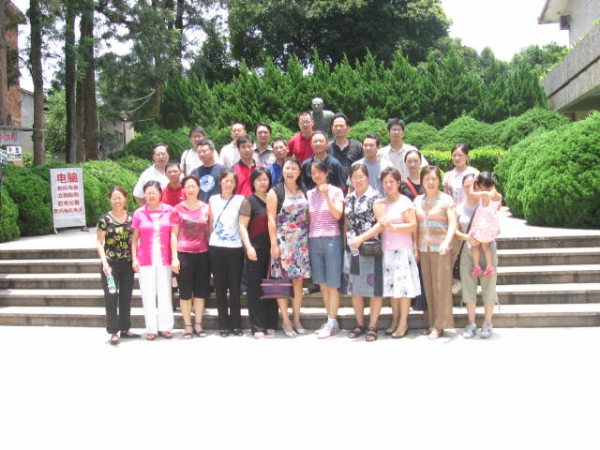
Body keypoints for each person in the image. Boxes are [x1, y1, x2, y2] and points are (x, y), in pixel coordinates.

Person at [267, 157, 310, 337]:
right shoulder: (275, 191)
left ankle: (296, 318)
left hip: (301, 243)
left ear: (299, 172)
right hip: (283, 243)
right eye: (287, 168)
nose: (290, 171)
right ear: (282, 171)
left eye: (294, 168)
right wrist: (273, 244)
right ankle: (285, 320)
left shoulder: (303, 190)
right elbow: (271, 219)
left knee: (298, 281)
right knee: (282, 282)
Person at [375, 168, 420, 339]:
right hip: (386, 250)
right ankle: (394, 319)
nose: (388, 185)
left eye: (391, 182)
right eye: (385, 182)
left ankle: (403, 322)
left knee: (403, 289)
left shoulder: (405, 202)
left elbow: (413, 225)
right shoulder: (381, 203)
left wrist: (393, 227)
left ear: (398, 183)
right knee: (392, 288)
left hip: (402, 249)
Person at [414, 166, 457, 339]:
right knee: (428, 287)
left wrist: (447, 242)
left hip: (441, 249)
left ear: (439, 180)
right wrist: (415, 247)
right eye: (427, 179)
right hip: (423, 248)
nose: (430, 182)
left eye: (433, 179)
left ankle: (440, 325)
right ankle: (431, 322)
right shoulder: (417, 200)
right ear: (422, 181)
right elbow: (415, 226)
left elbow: (453, 223)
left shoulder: (446, 199)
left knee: (441, 287)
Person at [131, 181, 177, 340]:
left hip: (164, 257)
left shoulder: (169, 210)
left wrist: (175, 256)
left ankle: (165, 327)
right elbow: (134, 238)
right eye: (148, 193)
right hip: (145, 258)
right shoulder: (139, 213)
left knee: (165, 292)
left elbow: (174, 234)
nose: (151, 196)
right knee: (147, 293)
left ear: (160, 193)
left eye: (154, 193)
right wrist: (134, 258)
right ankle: (151, 328)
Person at [455, 174, 498, 339]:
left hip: (487, 248)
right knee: (468, 287)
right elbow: (455, 231)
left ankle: (488, 323)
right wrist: (467, 237)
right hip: (469, 250)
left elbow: (496, 195)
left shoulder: (487, 200)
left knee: (489, 286)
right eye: (466, 185)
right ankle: (471, 323)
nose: (469, 188)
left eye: (473, 184)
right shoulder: (459, 208)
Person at [344, 164, 384, 342]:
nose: (358, 180)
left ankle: (373, 326)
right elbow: (346, 222)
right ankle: (359, 324)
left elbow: (381, 223)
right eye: (355, 177)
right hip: (352, 250)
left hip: (371, 248)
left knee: (374, 289)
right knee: (355, 289)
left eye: (361, 177)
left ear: (367, 178)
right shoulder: (349, 198)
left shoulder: (375, 197)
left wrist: (362, 238)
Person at [239, 168, 279, 339]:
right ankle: (258, 327)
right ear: (253, 182)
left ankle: (272, 323)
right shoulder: (249, 201)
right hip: (256, 249)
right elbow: (242, 225)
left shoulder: (274, 198)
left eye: (265, 179)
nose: (263, 182)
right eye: (259, 179)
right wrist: (248, 246)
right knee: (255, 288)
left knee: (272, 286)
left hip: (273, 249)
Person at [307, 160, 345, 339]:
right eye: (313, 173)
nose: (316, 176)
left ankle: (332, 320)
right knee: (322, 284)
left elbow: (337, 214)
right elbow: (309, 218)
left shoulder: (336, 191)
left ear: (326, 173)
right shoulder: (309, 194)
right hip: (314, 239)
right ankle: (330, 320)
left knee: (332, 285)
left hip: (332, 239)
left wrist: (326, 196)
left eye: (319, 172)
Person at [96, 186, 138, 345]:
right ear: (110, 200)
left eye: (120, 197)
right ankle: (113, 331)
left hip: (127, 263)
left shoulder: (132, 217)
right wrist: (104, 263)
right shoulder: (104, 220)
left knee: (126, 296)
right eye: (114, 198)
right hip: (110, 265)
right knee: (111, 297)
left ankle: (125, 328)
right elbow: (99, 243)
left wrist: (135, 259)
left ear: (125, 198)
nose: (117, 200)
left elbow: (135, 240)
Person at [171, 175, 210, 339]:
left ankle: (198, 324)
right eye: (188, 186)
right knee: (185, 292)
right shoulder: (177, 209)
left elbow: (208, 232)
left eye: (194, 186)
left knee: (200, 291)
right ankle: (187, 325)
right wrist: (174, 257)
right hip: (184, 254)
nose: (191, 189)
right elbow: (173, 235)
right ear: (184, 189)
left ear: (199, 188)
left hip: (202, 254)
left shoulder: (206, 208)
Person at [208, 170, 245, 337]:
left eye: (232, 181)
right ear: (220, 182)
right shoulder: (213, 200)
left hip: (235, 247)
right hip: (216, 246)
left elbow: (242, 223)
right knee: (220, 286)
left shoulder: (240, 200)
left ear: (235, 184)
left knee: (235, 286)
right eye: (226, 180)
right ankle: (223, 324)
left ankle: (236, 324)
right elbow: (210, 224)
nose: (228, 184)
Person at [468, 171, 502, 278]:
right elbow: (499, 208)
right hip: (491, 227)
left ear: (482, 185)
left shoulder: (486, 194)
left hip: (482, 226)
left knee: (475, 245)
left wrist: (471, 183)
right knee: (486, 247)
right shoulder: (499, 195)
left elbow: (471, 194)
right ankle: (489, 266)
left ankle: (476, 267)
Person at [191, 138, 227, 203]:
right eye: (199, 152)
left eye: (204, 151)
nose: (201, 154)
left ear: (212, 151)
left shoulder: (224, 171)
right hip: (200, 207)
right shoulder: (194, 172)